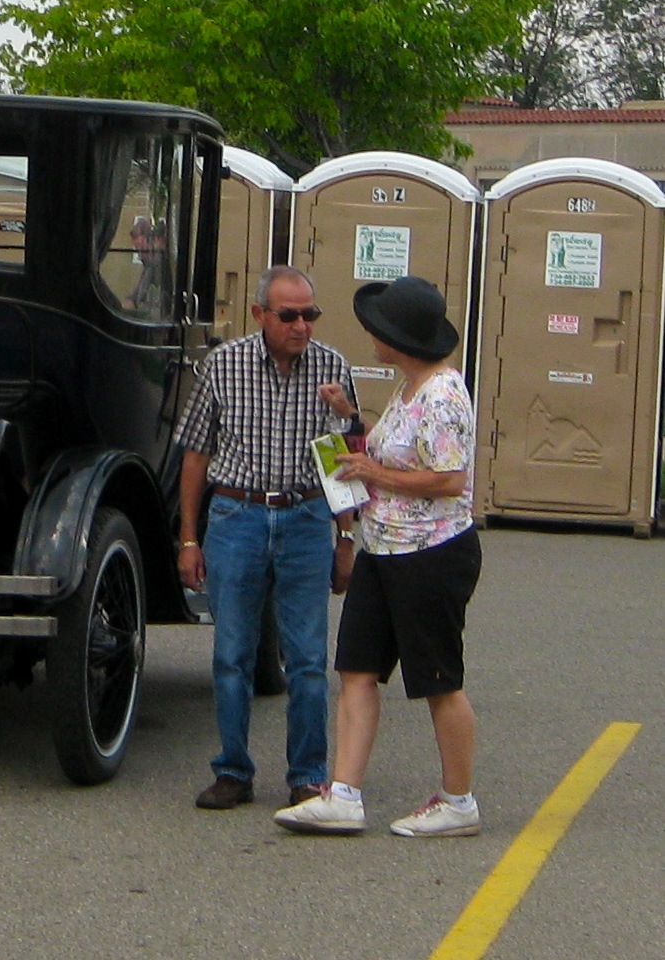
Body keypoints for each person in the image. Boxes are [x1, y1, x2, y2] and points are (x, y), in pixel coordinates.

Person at [273, 275, 482, 838]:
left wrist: (371, 472)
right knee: (358, 670)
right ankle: (343, 794)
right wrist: (350, 418)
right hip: (384, 548)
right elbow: (394, 446)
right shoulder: (409, 387)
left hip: (430, 553)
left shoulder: (442, 393)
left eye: (378, 330)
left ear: (400, 339)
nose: (371, 338)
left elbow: (447, 479)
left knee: (439, 678)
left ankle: (459, 800)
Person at [176, 264, 358, 811]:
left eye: (310, 314)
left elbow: (345, 459)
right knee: (232, 651)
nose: (302, 326)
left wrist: (345, 538)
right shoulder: (223, 366)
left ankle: (307, 775)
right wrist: (189, 537)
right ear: (260, 315)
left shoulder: (332, 368)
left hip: (304, 518)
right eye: (290, 315)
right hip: (238, 516)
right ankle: (232, 770)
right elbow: (196, 451)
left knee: (306, 656)